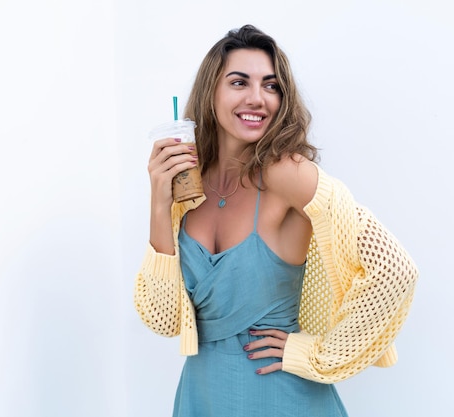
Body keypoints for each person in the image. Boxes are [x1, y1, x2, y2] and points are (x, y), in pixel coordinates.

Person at [134, 24, 419, 416]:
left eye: (271, 86)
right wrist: (158, 201)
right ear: (211, 92)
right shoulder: (189, 186)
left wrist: (314, 354)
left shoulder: (288, 174)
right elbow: (164, 318)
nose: (258, 98)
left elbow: (395, 271)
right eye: (239, 82)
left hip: (281, 398)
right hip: (203, 396)